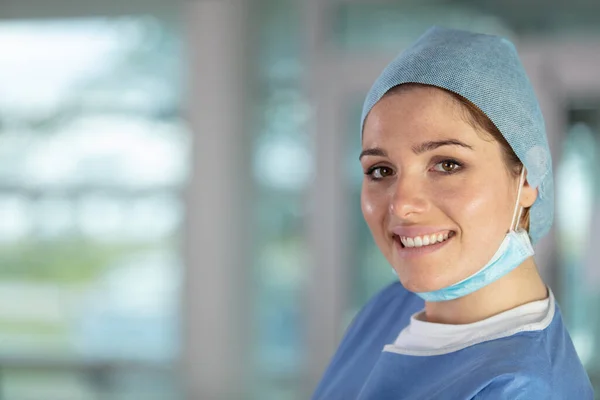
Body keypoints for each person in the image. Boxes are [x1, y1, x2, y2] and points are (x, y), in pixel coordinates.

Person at [311, 26, 594, 399]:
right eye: (381, 170)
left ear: (527, 178)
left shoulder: (524, 388)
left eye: (446, 164)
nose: (401, 203)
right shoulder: (391, 307)